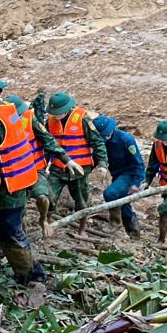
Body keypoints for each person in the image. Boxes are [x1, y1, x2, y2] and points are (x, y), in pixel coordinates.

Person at [0, 73, 80, 284]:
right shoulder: (9, 109)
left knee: (12, 236)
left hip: (3, 188)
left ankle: (33, 278)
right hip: (12, 183)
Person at [44, 92, 108, 235]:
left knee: (81, 201)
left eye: (58, 112)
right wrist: (42, 166)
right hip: (58, 168)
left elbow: (97, 142)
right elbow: (47, 145)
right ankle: (46, 223)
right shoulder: (49, 122)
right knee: (49, 197)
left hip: (80, 169)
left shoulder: (82, 119)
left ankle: (82, 229)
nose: (56, 115)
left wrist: (103, 164)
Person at [8, 94, 67, 239]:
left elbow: (48, 140)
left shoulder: (30, 119)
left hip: (35, 168)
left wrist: (67, 160)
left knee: (43, 196)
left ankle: (44, 218)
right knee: (19, 211)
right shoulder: (2, 124)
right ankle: (22, 237)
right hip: (15, 173)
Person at [94, 116, 145, 238]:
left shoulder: (126, 140)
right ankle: (133, 231)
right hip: (116, 175)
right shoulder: (100, 142)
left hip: (129, 174)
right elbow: (96, 158)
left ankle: (115, 223)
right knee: (122, 201)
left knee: (110, 194)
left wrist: (136, 183)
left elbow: (138, 163)